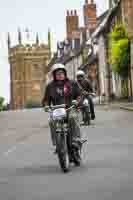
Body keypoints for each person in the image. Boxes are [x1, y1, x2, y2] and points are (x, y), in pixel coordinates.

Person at [42, 63, 84, 152]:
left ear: (65, 73)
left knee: (72, 117)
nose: (60, 75)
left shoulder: (72, 83)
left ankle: (76, 140)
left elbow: (80, 94)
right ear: (54, 75)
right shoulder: (50, 86)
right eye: (57, 74)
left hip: (70, 108)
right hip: (57, 110)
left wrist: (76, 101)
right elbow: (46, 99)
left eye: (61, 73)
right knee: (51, 121)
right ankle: (57, 143)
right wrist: (46, 105)